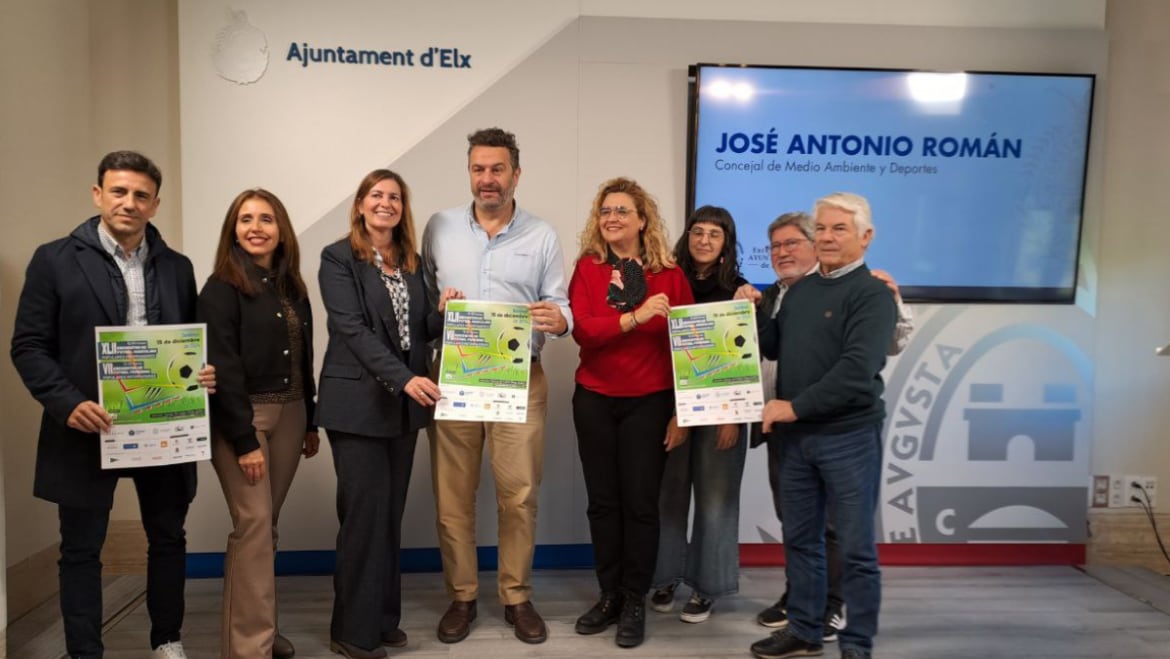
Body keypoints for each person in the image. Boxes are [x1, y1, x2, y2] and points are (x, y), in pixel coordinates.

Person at [10, 150, 215, 659]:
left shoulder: (179, 267)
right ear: (98, 194)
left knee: (168, 538)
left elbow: (188, 344)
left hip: (161, 426)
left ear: (155, 203)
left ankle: (167, 639)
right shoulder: (53, 259)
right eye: (119, 191)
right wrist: (66, 402)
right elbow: (28, 346)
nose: (129, 202)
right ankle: (85, 651)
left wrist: (203, 373)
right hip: (84, 426)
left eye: (141, 195)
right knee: (81, 549)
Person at [420, 128, 571, 646]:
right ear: (470, 172)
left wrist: (560, 317)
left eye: (498, 169)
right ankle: (461, 596)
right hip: (456, 381)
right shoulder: (438, 227)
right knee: (453, 498)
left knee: (519, 495)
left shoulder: (543, 235)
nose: (488, 179)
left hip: (519, 380)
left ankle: (516, 595)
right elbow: (421, 303)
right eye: (479, 169)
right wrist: (436, 312)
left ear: (516, 174)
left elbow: (562, 304)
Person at [752, 211, 914, 644]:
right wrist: (748, 312)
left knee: (850, 543)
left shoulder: (872, 291)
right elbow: (773, 344)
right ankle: (804, 626)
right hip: (792, 436)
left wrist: (793, 408)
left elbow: (859, 369)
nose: (826, 237)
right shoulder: (795, 294)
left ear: (864, 237)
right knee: (801, 537)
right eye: (821, 229)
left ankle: (849, 634)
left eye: (836, 229)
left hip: (844, 434)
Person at [317, 170, 443, 659]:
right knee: (364, 519)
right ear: (361, 204)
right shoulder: (338, 257)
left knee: (389, 517)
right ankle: (352, 631)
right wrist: (405, 378)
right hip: (358, 407)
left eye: (394, 196)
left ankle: (382, 618)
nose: (386, 203)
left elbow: (419, 329)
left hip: (403, 410)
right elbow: (352, 329)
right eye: (377, 195)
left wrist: (444, 312)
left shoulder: (409, 262)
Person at [569, 177, 694, 648]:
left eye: (622, 210)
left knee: (641, 504)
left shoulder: (670, 275)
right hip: (595, 398)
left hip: (650, 400)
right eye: (605, 211)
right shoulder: (589, 268)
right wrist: (635, 317)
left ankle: (634, 597)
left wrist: (682, 414)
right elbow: (585, 330)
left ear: (643, 220)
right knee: (603, 502)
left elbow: (689, 349)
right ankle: (609, 596)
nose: (612, 218)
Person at [197, 188, 319, 659]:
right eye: (245, 219)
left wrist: (311, 419)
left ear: (280, 229)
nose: (255, 227)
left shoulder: (292, 288)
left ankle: (260, 629)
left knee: (266, 527)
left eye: (265, 219)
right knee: (253, 524)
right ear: (233, 230)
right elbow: (221, 365)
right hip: (242, 418)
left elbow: (304, 359)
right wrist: (244, 439)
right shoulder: (220, 288)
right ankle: (248, 648)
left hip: (291, 416)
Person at [650, 205, 759, 624]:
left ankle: (707, 588)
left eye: (715, 234)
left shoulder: (739, 290)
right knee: (668, 498)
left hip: (722, 414)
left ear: (727, 243)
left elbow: (743, 360)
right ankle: (665, 577)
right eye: (698, 232)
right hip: (671, 409)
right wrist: (675, 412)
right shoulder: (670, 283)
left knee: (715, 503)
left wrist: (732, 416)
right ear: (687, 236)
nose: (705, 241)